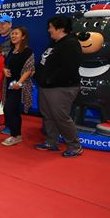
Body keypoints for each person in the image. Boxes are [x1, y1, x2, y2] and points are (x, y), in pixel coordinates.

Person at [34, 15, 84, 158]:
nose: (48, 30)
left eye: (51, 27)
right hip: (46, 87)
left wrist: (49, 80)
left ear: (61, 28)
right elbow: (44, 63)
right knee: (48, 115)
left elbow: (69, 68)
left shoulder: (71, 44)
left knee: (61, 117)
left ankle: (75, 146)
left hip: (61, 88)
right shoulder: (54, 43)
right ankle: (51, 142)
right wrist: (39, 76)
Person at [1, 27, 35, 146]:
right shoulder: (11, 50)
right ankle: (17, 134)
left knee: (10, 109)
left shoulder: (27, 52)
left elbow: (29, 69)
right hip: (8, 85)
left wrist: (19, 83)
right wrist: (4, 70)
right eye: (12, 34)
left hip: (19, 86)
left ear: (23, 36)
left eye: (16, 34)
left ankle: (15, 135)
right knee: (11, 110)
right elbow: (5, 65)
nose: (13, 36)